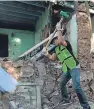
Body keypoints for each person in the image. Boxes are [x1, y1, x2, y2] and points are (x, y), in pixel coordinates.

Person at [42, 4, 91, 109]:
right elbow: (53, 58)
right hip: (67, 69)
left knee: (77, 87)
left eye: (54, 40)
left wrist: (59, 29)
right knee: (62, 83)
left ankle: (86, 106)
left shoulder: (66, 44)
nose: (54, 42)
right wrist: (46, 54)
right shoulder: (56, 49)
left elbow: (60, 40)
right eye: (54, 40)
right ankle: (65, 99)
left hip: (74, 67)